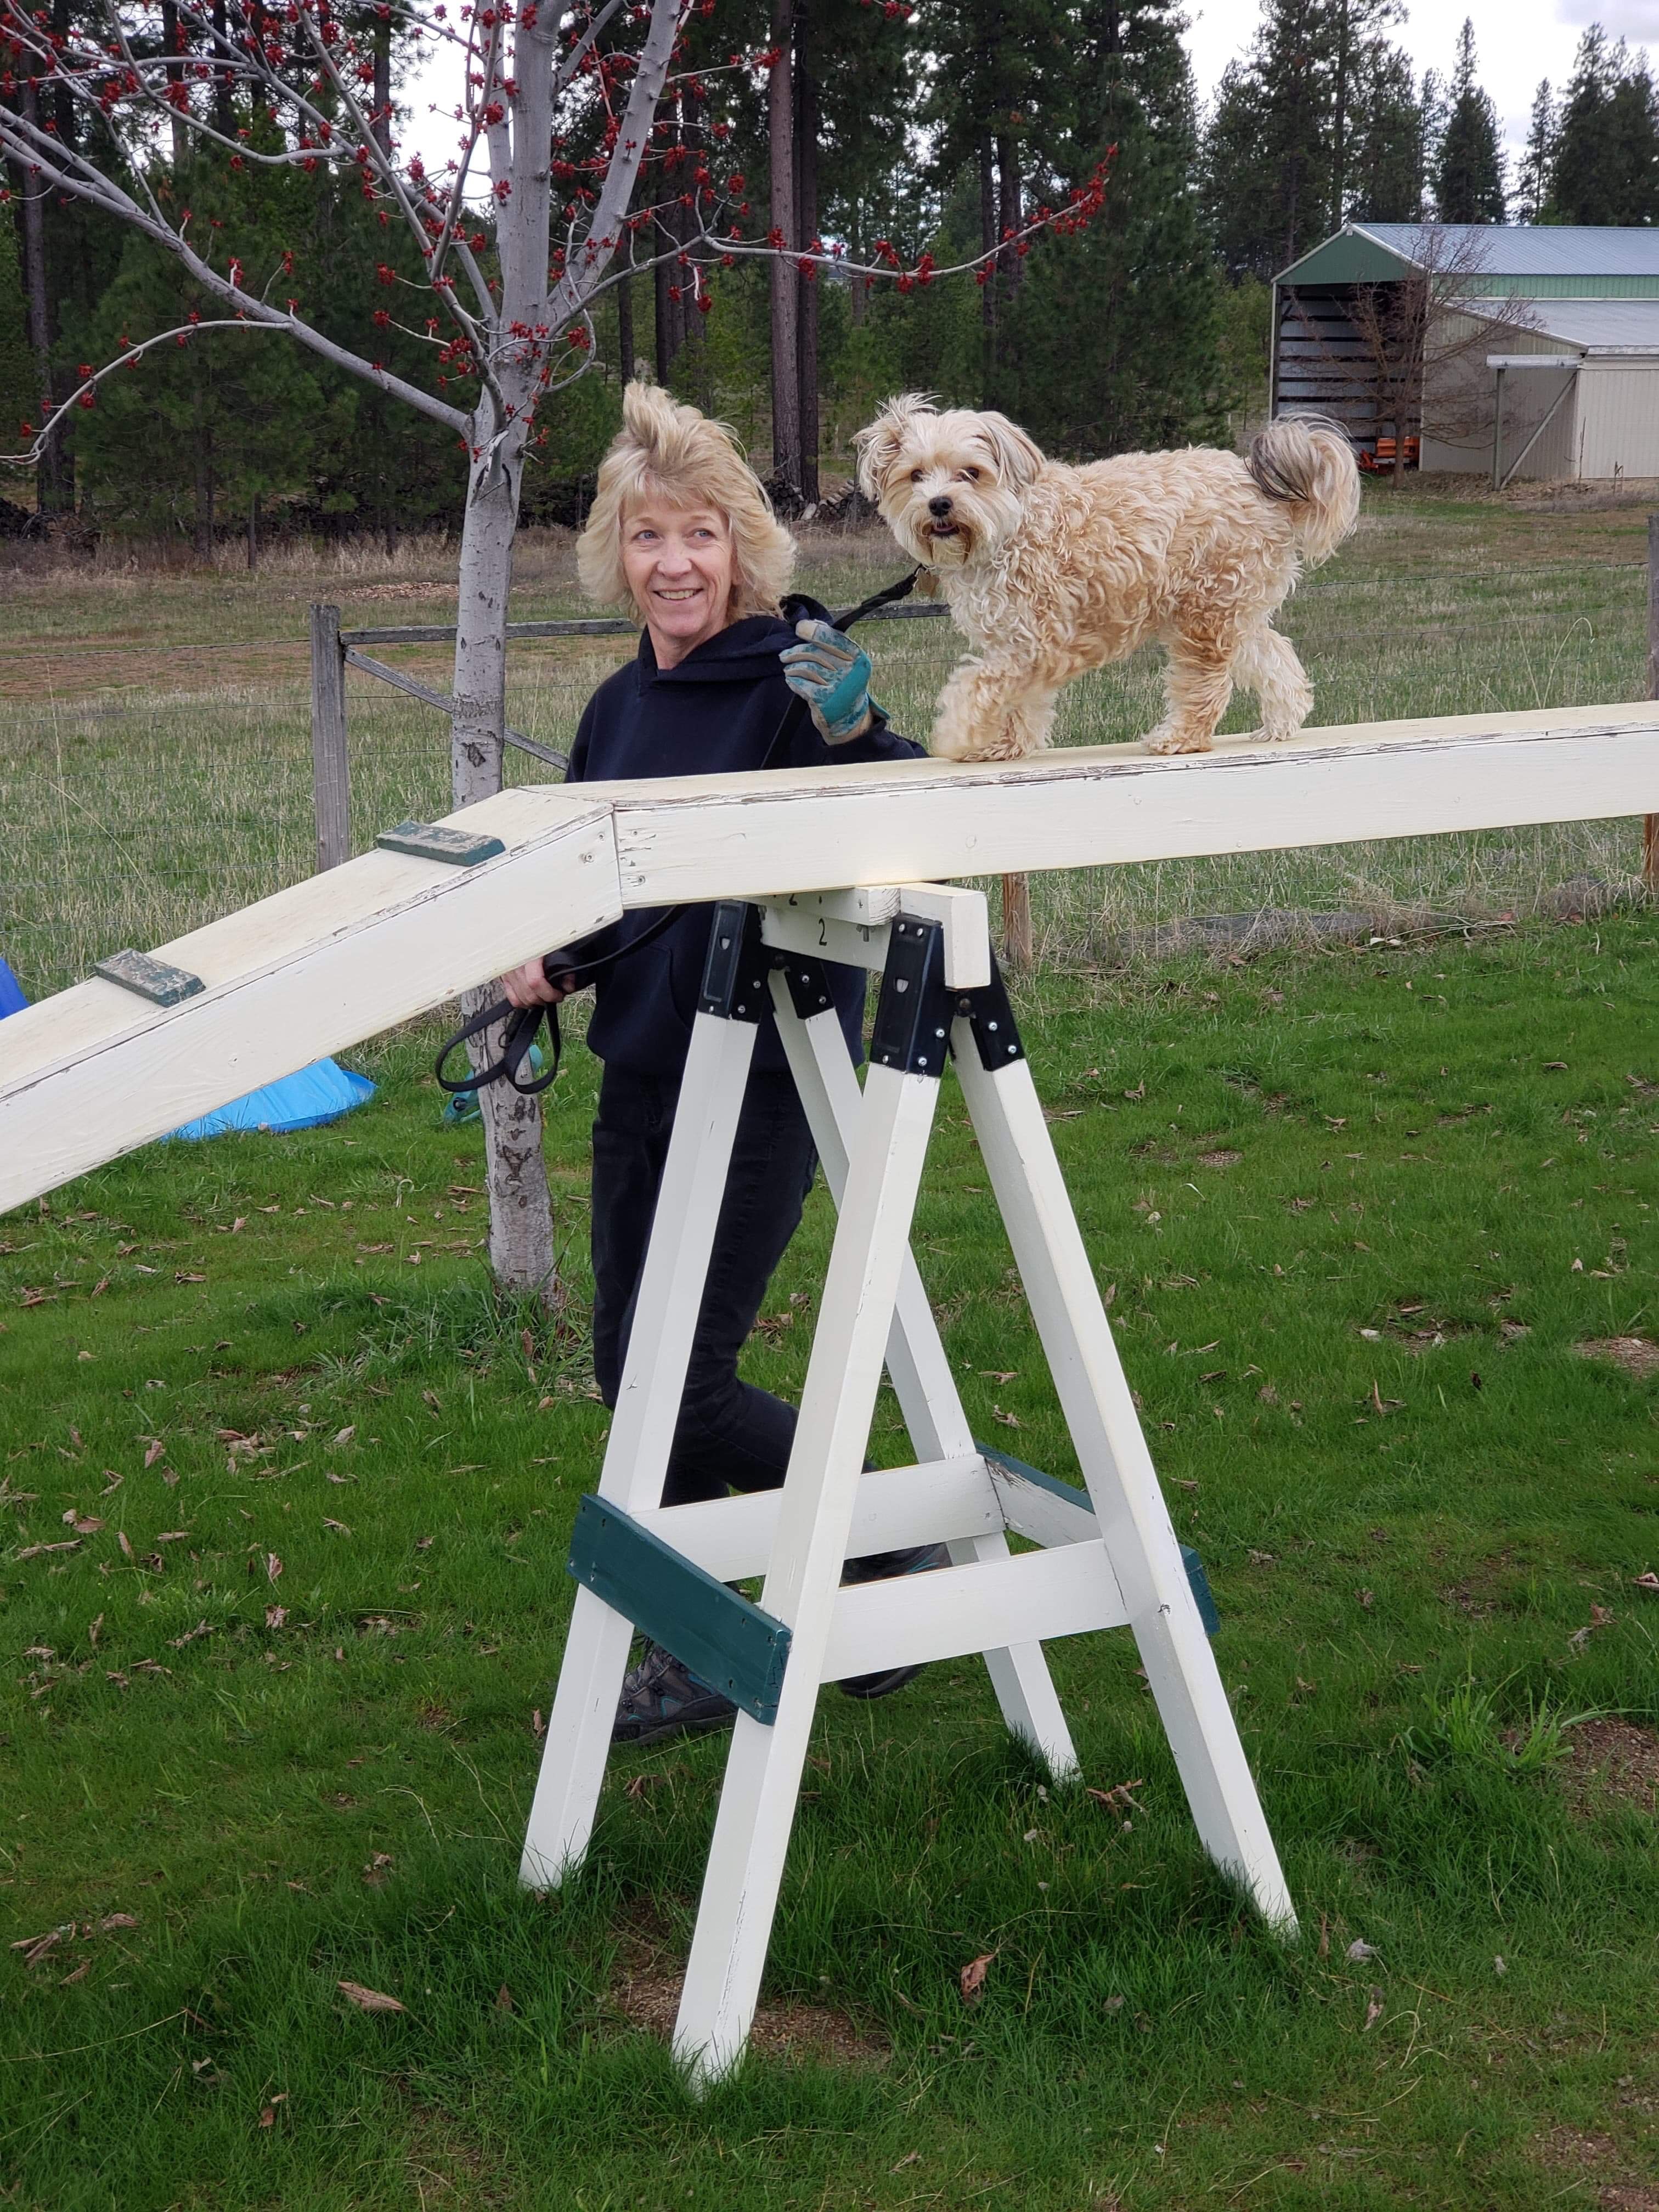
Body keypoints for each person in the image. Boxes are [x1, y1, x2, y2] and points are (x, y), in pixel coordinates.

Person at [498, 383, 941, 1747]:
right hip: (641, 1083)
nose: (673, 564)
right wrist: (551, 959)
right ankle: (832, 1584)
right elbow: (614, 890)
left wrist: (859, 729)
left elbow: (915, 803)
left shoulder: (796, 669)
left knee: (680, 1386)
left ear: (742, 547)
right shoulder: (618, 706)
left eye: (698, 535)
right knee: (628, 1381)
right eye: (647, 539)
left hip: (766, 1080)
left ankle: (869, 1560)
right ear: (615, 558)